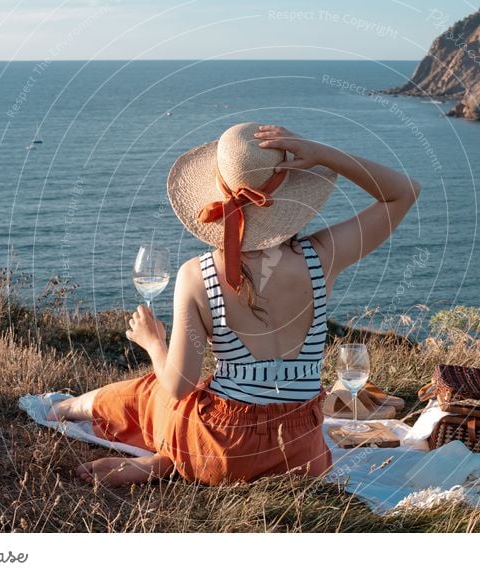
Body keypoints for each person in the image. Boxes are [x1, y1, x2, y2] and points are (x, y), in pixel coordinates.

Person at [47, 122, 420, 487]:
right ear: (291, 196)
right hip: (300, 454)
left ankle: (76, 412)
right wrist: (326, 154)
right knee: (200, 394)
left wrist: (153, 342)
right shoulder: (323, 256)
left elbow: (178, 385)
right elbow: (404, 192)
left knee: (151, 392)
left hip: (222, 449)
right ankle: (170, 459)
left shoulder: (198, 274)